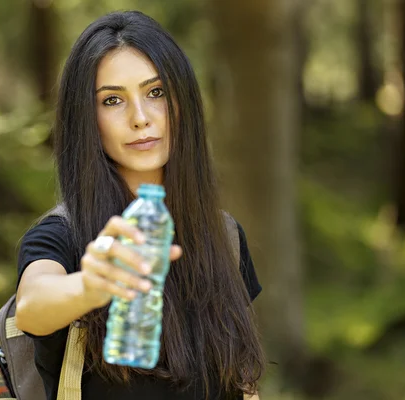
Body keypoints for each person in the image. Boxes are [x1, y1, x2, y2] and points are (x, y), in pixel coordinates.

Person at [15, 10, 265, 400]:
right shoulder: (62, 235)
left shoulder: (225, 236)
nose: (140, 118)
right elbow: (32, 305)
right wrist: (91, 285)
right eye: (112, 100)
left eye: (156, 92)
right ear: (87, 119)